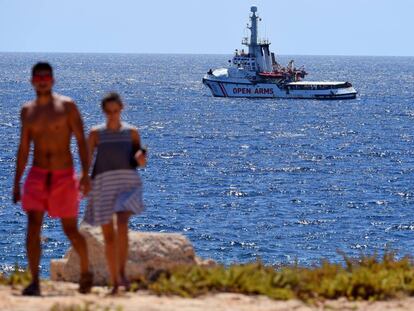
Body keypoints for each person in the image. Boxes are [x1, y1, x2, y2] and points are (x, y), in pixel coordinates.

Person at [13, 62, 93, 296]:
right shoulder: (28, 111)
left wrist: (85, 175)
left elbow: (80, 141)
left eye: (46, 76)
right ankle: (35, 281)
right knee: (33, 228)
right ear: (32, 81)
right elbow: (23, 148)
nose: (42, 80)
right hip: (37, 175)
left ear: (53, 80)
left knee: (70, 229)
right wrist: (16, 182)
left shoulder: (67, 106)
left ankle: (86, 273)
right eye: (38, 77)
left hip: (63, 176)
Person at [84, 92, 146, 294]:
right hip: (102, 184)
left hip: (126, 183)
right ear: (104, 111)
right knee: (108, 236)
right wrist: (84, 179)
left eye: (116, 111)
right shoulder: (95, 134)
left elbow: (139, 159)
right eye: (108, 111)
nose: (112, 115)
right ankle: (115, 280)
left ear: (121, 109)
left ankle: (122, 274)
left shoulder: (132, 132)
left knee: (122, 223)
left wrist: (141, 157)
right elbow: (87, 160)